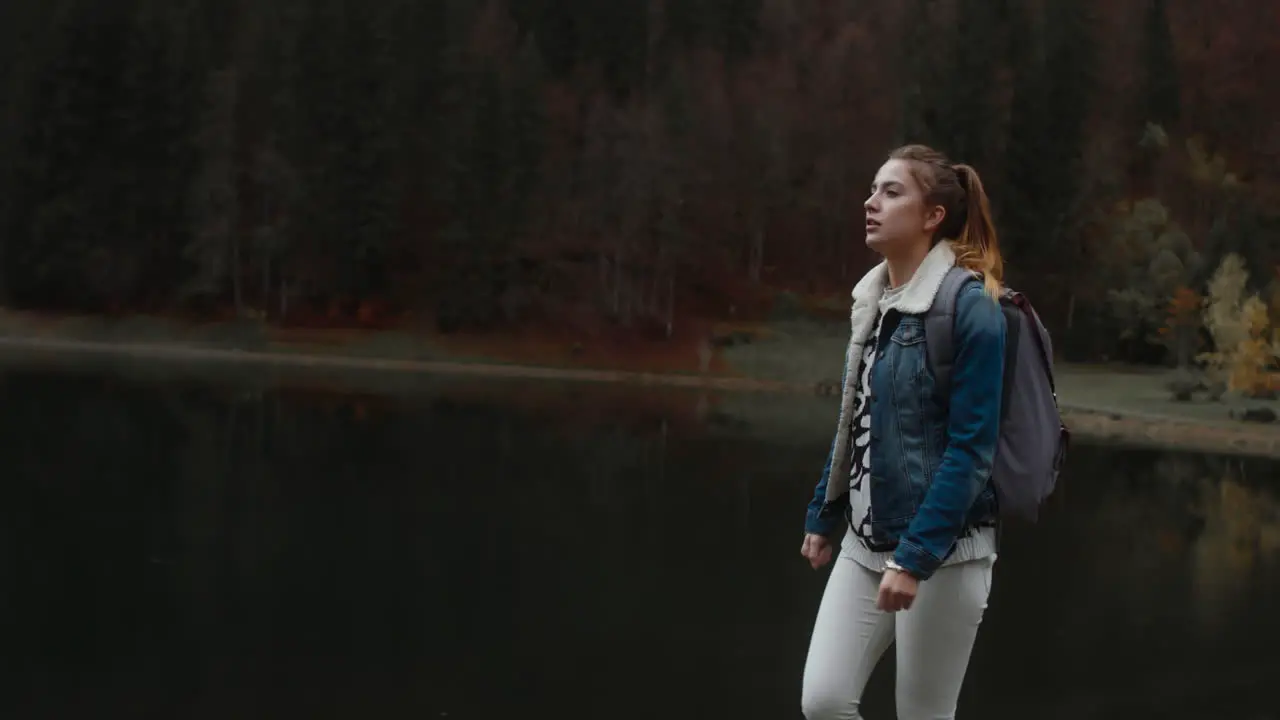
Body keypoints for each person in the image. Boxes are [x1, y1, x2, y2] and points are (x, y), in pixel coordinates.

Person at [799, 144, 1007, 720]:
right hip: (865, 545)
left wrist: (914, 558)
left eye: (892, 192)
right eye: (873, 190)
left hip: (944, 554)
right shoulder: (873, 299)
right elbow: (858, 416)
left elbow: (971, 450)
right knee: (823, 701)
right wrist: (827, 508)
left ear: (932, 215)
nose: (871, 203)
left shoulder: (971, 306)